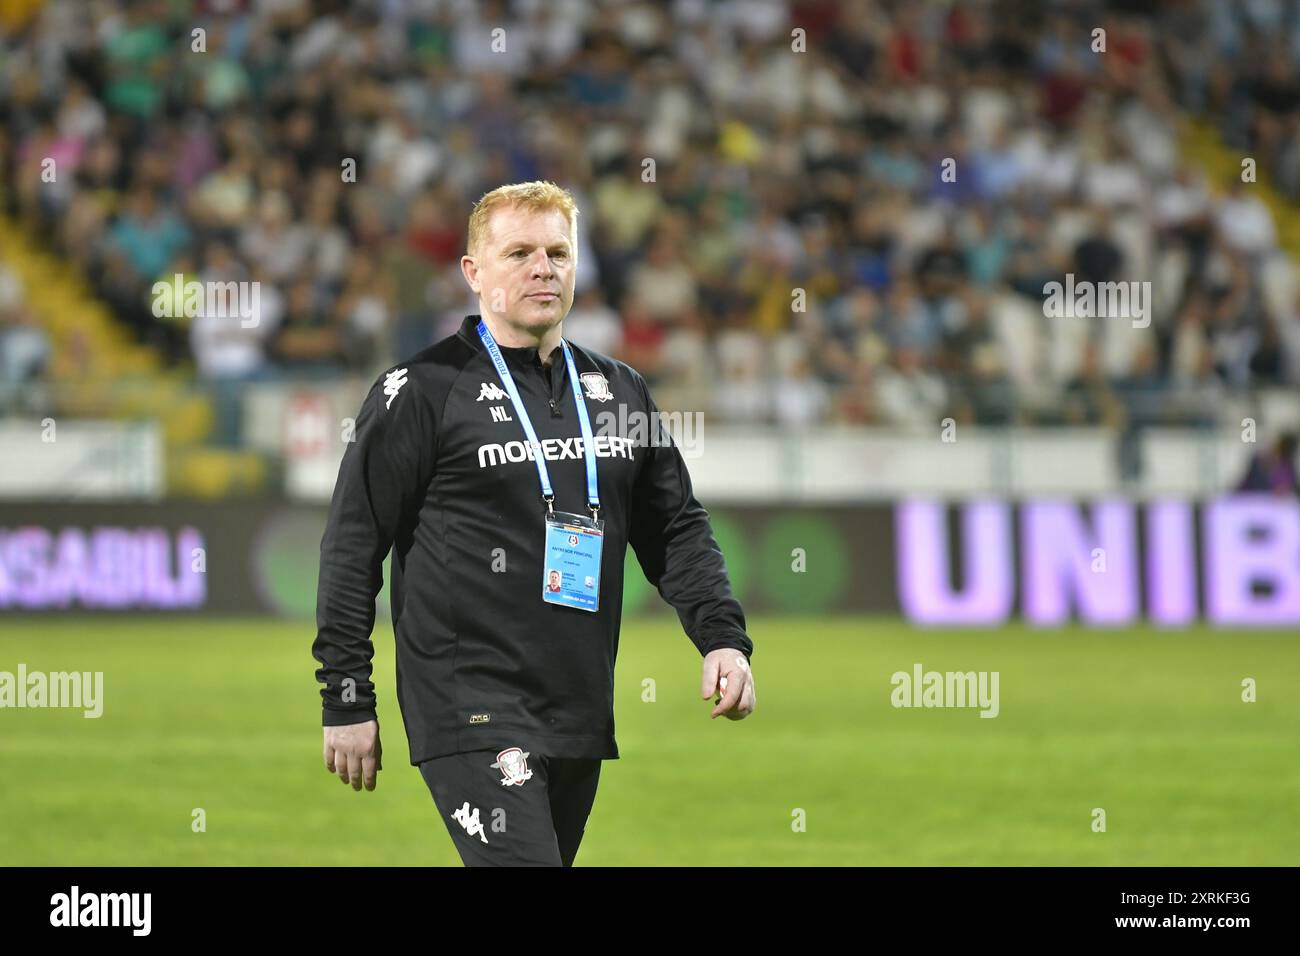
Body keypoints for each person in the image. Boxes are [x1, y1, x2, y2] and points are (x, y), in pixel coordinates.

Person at [312, 181, 756, 866]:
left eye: (558, 252)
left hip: (577, 705)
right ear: (473, 272)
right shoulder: (420, 393)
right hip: (470, 705)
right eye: (518, 252)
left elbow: (675, 531)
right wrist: (346, 695)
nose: (542, 268)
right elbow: (351, 547)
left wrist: (723, 639)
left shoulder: (619, 392)